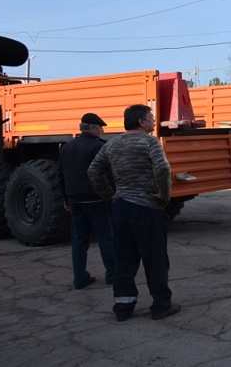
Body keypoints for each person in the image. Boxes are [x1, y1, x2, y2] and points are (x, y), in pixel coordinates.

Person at [88, 104, 180, 322]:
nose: (154, 121)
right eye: (151, 118)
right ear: (141, 122)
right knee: (155, 259)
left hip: (121, 208)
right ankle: (160, 306)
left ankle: (123, 307)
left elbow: (93, 171)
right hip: (147, 208)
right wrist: (165, 195)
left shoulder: (112, 144)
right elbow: (163, 168)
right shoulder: (149, 142)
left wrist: (109, 195)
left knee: (124, 259)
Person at [58, 112, 115, 290]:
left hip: (75, 201)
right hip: (97, 199)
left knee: (79, 240)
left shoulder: (66, 148)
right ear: (92, 128)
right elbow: (107, 174)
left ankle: (79, 278)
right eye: (100, 128)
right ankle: (112, 275)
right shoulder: (98, 148)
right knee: (106, 237)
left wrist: (66, 198)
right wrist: (111, 194)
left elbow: (60, 175)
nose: (102, 131)